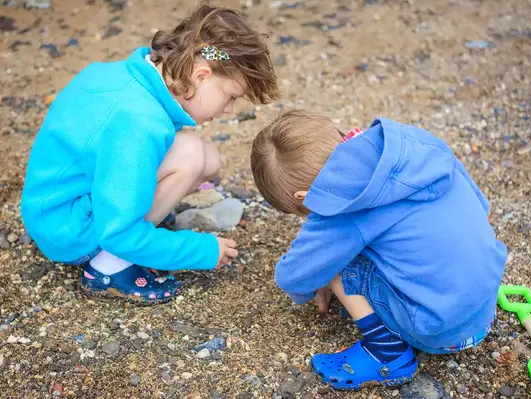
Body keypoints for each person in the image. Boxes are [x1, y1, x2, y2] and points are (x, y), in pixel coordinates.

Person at [20, 2, 279, 305]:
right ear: (202, 75)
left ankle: (140, 223)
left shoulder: (131, 79)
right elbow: (117, 232)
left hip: (53, 206)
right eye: (231, 96)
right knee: (192, 156)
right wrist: (202, 250)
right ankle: (109, 268)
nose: (229, 110)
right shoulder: (137, 123)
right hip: (67, 230)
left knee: (206, 158)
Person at [250, 110, 506, 389]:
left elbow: (294, 275)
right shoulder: (412, 146)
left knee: (336, 260)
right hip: (483, 306)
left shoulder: (343, 207)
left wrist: (313, 284)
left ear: (305, 197)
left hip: (440, 330)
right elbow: (481, 205)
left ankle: (386, 352)